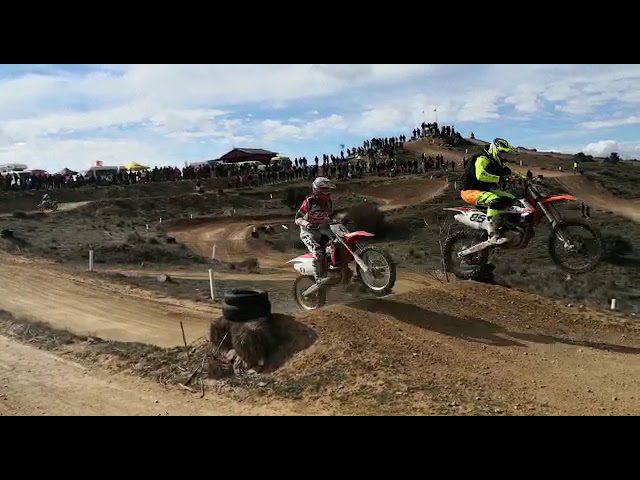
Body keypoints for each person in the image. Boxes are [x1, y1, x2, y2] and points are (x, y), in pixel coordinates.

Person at [460, 138, 518, 245]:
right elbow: (480, 175)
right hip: (470, 191)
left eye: (505, 154)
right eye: (501, 152)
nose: (503, 156)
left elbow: (512, 174)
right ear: (495, 150)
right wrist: (500, 179)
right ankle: (492, 233)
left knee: (511, 198)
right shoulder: (483, 159)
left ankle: (503, 224)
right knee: (495, 200)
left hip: (484, 190)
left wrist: (527, 178)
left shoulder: (496, 164)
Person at [295, 177, 336, 283]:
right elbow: (297, 218)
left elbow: (330, 218)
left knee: (337, 245)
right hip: (308, 233)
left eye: (329, 190)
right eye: (325, 190)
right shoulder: (309, 202)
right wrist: (306, 223)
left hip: (322, 232)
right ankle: (319, 278)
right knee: (318, 252)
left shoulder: (329, 203)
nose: (328, 193)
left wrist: (341, 220)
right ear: (317, 191)